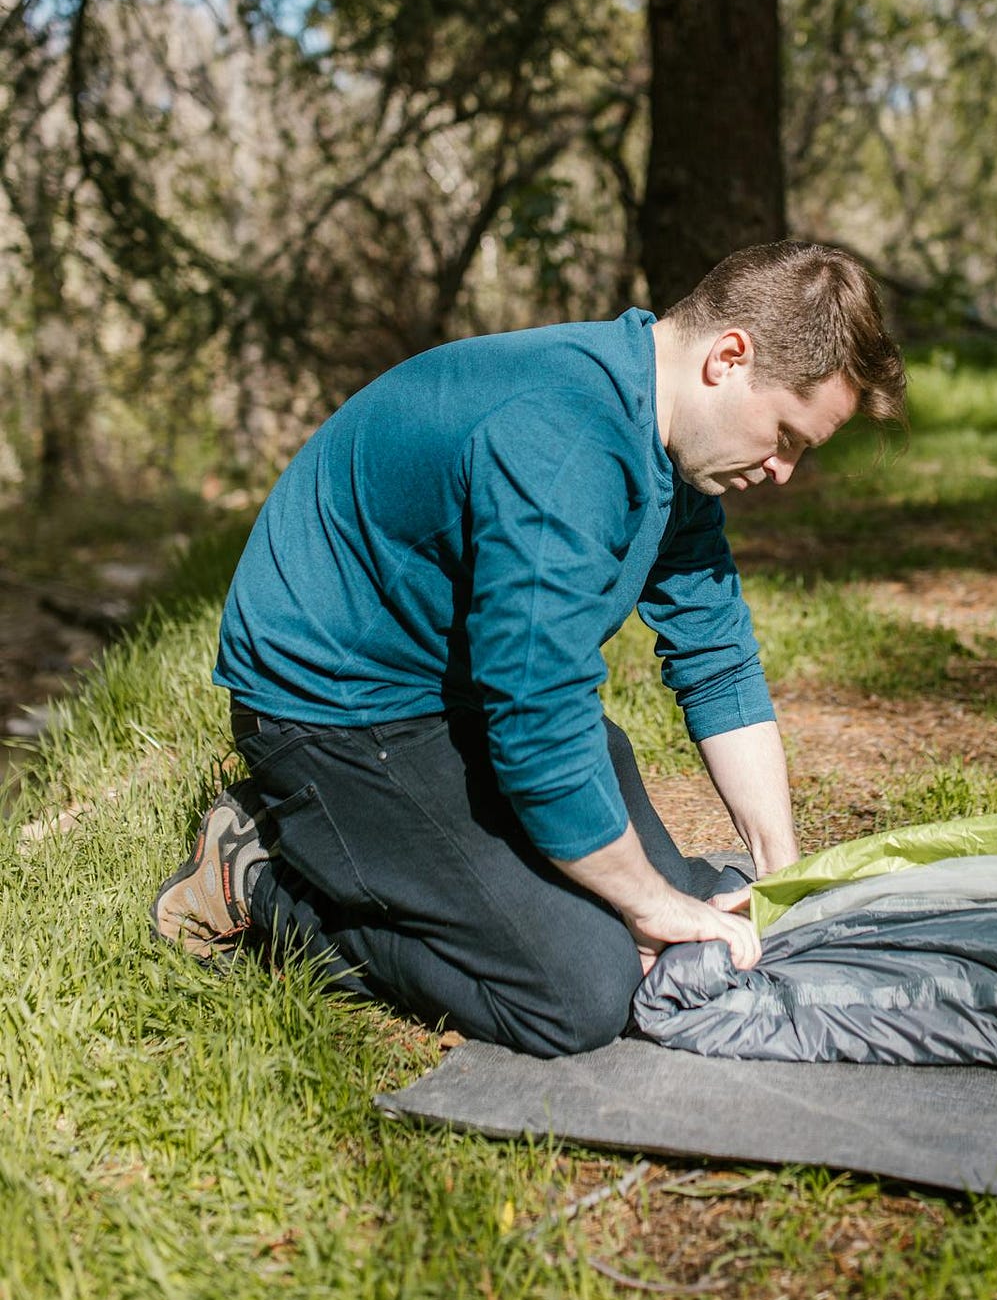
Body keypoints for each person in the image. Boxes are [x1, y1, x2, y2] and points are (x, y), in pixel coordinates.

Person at [151, 241, 906, 1056]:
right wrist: (647, 903)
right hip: (341, 715)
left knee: (689, 913)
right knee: (578, 992)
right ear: (728, 358)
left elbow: (716, 656)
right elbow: (538, 723)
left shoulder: (672, 440)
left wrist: (779, 871)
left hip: (468, 693)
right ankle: (263, 879)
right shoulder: (566, 439)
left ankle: (402, 867)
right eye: (786, 436)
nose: (784, 470)